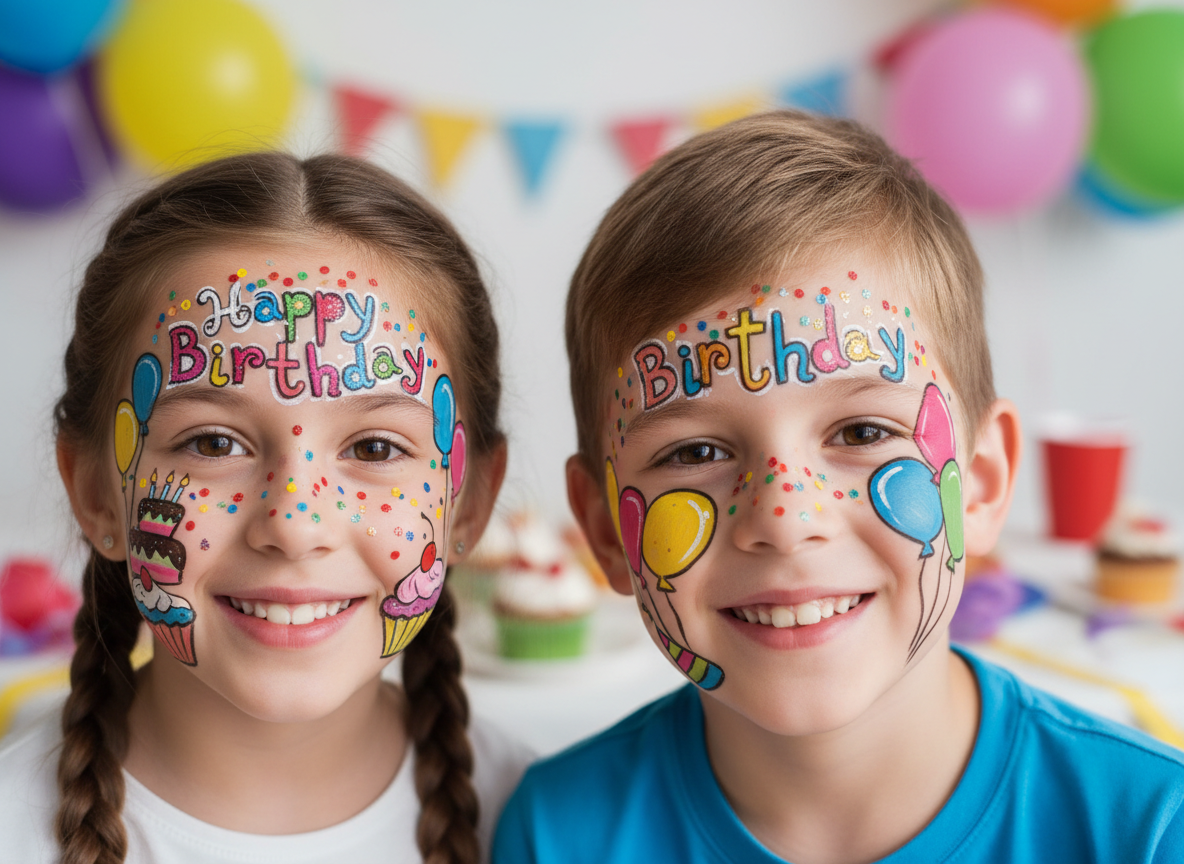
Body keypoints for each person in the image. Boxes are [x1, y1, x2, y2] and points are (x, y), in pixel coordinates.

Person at [494, 111, 1184, 863]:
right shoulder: (556, 835)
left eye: (861, 434)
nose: (786, 521)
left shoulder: (1150, 831)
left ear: (980, 484)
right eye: (694, 450)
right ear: (605, 533)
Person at [0, 152, 531, 864]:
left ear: (469, 503)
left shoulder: (548, 829)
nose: (293, 523)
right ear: (96, 491)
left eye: (374, 449)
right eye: (213, 442)